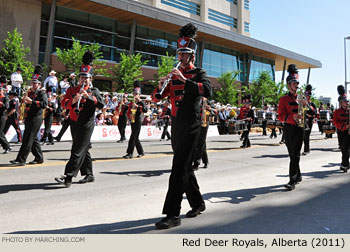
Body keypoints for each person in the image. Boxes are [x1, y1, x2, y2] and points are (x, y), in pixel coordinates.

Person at [154, 23, 211, 229]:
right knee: (184, 166)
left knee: (178, 169)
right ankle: (198, 203)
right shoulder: (174, 73)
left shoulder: (198, 73)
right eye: (179, 53)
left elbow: (207, 91)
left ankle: (172, 214)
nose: (181, 57)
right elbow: (158, 98)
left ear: (192, 56)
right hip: (176, 124)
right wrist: (161, 85)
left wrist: (184, 79)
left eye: (185, 54)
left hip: (192, 124)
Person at [54, 51, 104, 187]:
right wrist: (73, 100)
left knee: (76, 150)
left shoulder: (94, 91)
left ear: (90, 79)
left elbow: (101, 105)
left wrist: (88, 97)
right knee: (83, 148)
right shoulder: (71, 90)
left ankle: (68, 176)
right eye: (81, 78)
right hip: (74, 121)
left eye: (86, 78)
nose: (84, 80)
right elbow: (63, 104)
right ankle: (89, 174)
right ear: (78, 79)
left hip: (87, 123)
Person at [10, 74, 48, 166]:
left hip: (36, 118)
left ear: (39, 84)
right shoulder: (30, 92)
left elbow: (44, 104)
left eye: (36, 83)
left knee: (27, 139)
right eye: (33, 82)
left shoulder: (41, 93)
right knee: (33, 139)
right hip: (29, 117)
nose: (34, 84)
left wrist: (32, 102)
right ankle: (39, 158)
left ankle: (21, 159)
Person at [277, 64, 305, 190]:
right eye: (294, 83)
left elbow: (311, 112)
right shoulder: (283, 99)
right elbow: (280, 116)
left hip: (300, 128)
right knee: (292, 154)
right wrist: (292, 117)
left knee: (296, 154)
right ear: (289, 85)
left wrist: (307, 105)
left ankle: (292, 180)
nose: (297, 85)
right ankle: (298, 175)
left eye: (297, 82)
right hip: (289, 128)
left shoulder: (302, 98)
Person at [123, 81, 147, 159]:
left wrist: (138, 105)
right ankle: (141, 152)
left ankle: (130, 153)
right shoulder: (131, 102)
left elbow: (145, 110)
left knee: (133, 137)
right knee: (135, 137)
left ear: (139, 95)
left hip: (138, 120)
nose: (135, 95)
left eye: (137, 94)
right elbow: (128, 111)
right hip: (132, 120)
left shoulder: (141, 102)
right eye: (134, 94)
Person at [192, 98, 215, 170]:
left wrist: (210, 108)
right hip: (196, 122)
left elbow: (215, 112)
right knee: (201, 143)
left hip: (204, 122)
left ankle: (196, 163)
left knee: (200, 143)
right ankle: (206, 161)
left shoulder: (207, 100)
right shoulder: (195, 99)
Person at [333, 85, 350, 172]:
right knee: (343, 149)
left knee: (346, 149)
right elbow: (335, 122)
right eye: (344, 101)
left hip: (349, 132)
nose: (346, 102)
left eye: (347, 101)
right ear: (340, 102)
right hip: (341, 132)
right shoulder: (336, 112)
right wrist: (344, 127)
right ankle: (345, 163)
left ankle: (345, 164)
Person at [302, 84, 317, 155]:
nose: (306, 97)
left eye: (307, 96)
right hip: (302, 121)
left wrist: (310, 115)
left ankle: (306, 150)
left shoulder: (312, 104)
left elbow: (315, 113)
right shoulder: (301, 103)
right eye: (305, 96)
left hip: (309, 121)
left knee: (306, 136)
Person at [0, 86, 11, 154]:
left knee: (0, 132)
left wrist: (1, 103)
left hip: (2, 116)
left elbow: (6, 106)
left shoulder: (5, 98)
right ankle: (7, 147)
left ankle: (7, 147)